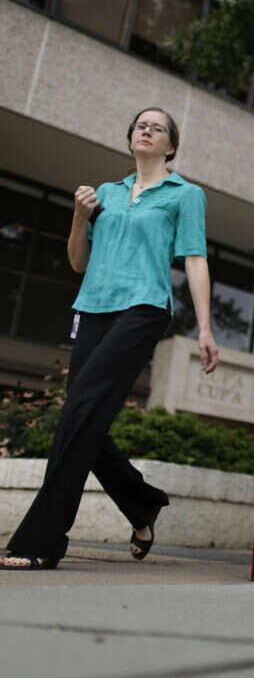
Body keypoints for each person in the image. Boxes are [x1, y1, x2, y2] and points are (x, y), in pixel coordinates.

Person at [1, 107, 218, 570]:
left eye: (157, 127)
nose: (146, 129)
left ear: (170, 146)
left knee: (80, 411)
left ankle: (40, 542)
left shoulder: (185, 194)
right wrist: (80, 217)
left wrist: (204, 328)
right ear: (130, 138)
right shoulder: (105, 193)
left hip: (143, 308)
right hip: (93, 307)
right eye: (141, 124)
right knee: (85, 416)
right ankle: (141, 504)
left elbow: (195, 260)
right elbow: (78, 262)